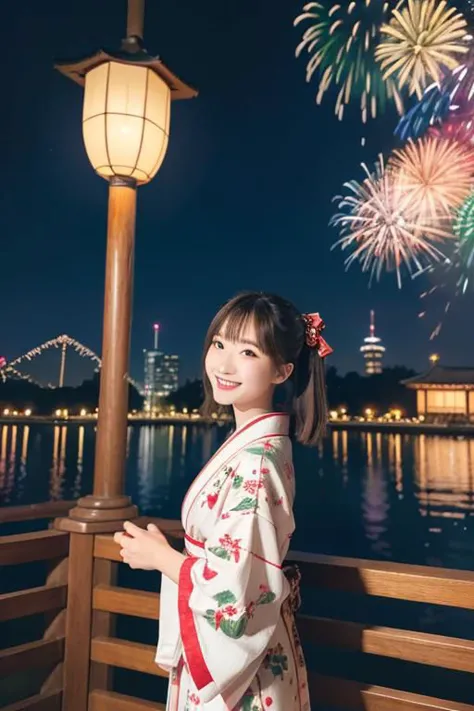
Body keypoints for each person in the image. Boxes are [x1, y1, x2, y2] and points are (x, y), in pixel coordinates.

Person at [114, 291, 331, 711]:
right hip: (254, 650)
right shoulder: (259, 447)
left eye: (248, 352)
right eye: (219, 344)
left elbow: (236, 590)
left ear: (282, 371)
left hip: (244, 675)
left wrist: (160, 557)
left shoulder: (256, 465)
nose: (224, 365)